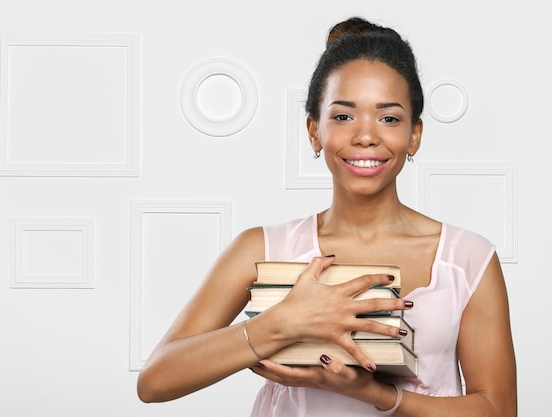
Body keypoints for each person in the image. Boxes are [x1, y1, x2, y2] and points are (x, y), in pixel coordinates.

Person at [137, 16, 517, 416]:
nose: (365, 135)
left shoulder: (468, 258)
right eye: (342, 116)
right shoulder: (263, 248)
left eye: (388, 117)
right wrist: (284, 322)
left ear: (414, 134)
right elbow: (156, 381)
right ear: (314, 131)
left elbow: (500, 410)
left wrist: (376, 394)